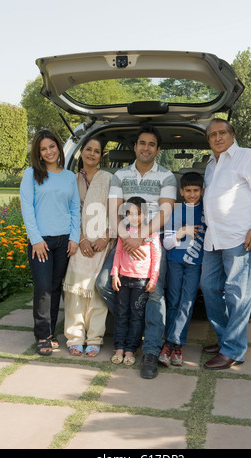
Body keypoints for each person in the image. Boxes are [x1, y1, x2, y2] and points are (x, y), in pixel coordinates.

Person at [96, 124, 177, 378]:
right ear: (135, 147)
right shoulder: (120, 175)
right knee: (102, 284)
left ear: (158, 149)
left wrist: (141, 236)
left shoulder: (167, 176)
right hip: (124, 239)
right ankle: (134, 318)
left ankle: (150, 351)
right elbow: (113, 209)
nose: (146, 148)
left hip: (152, 241)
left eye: (151, 144)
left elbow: (166, 210)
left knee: (154, 293)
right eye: (142, 143)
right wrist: (126, 236)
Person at [200, 118, 251, 370]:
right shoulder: (211, 164)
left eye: (222, 133)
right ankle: (224, 340)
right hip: (213, 238)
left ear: (232, 134)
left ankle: (233, 350)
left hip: (240, 237)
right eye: (212, 135)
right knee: (209, 288)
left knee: (237, 294)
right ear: (208, 140)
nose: (217, 138)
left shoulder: (247, 156)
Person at [20, 129, 80, 356]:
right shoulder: (31, 174)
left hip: (64, 240)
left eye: (51, 147)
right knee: (43, 288)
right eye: (43, 149)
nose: (48, 152)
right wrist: (35, 240)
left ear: (58, 147)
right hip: (41, 242)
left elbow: (75, 209)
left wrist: (74, 237)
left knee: (55, 288)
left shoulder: (69, 177)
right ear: (38, 152)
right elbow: (27, 208)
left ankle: (50, 332)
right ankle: (42, 335)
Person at [63, 137, 114, 357]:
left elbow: (117, 209)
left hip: (103, 241)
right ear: (81, 152)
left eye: (96, 151)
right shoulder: (71, 180)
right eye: (88, 149)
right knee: (74, 290)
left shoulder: (109, 179)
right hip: (78, 240)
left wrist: (105, 237)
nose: (91, 154)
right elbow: (67, 211)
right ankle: (74, 337)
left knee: (96, 291)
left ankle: (94, 337)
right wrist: (82, 238)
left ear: (101, 155)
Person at [159, 172, 206, 367]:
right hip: (175, 261)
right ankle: (173, 343)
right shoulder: (175, 211)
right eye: (188, 190)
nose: (192, 194)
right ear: (181, 191)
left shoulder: (206, 210)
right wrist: (181, 232)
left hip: (195, 263)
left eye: (196, 190)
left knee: (187, 302)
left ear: (202, 191)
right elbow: (167, 243)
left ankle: (173, 344)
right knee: (173, 301)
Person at [111, 197, 161, 366]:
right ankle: (119, 347)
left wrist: (153, 280)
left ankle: (131, 349)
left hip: (141, 281)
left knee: (136, 316)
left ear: (146, 214)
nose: (134, 217)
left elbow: (156, 258)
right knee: (121, 314)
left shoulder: (151, 234)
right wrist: (115, 274)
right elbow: (118, 253)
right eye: (130, 213)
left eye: (138, 213)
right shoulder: (124, 232)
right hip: (123, 279)